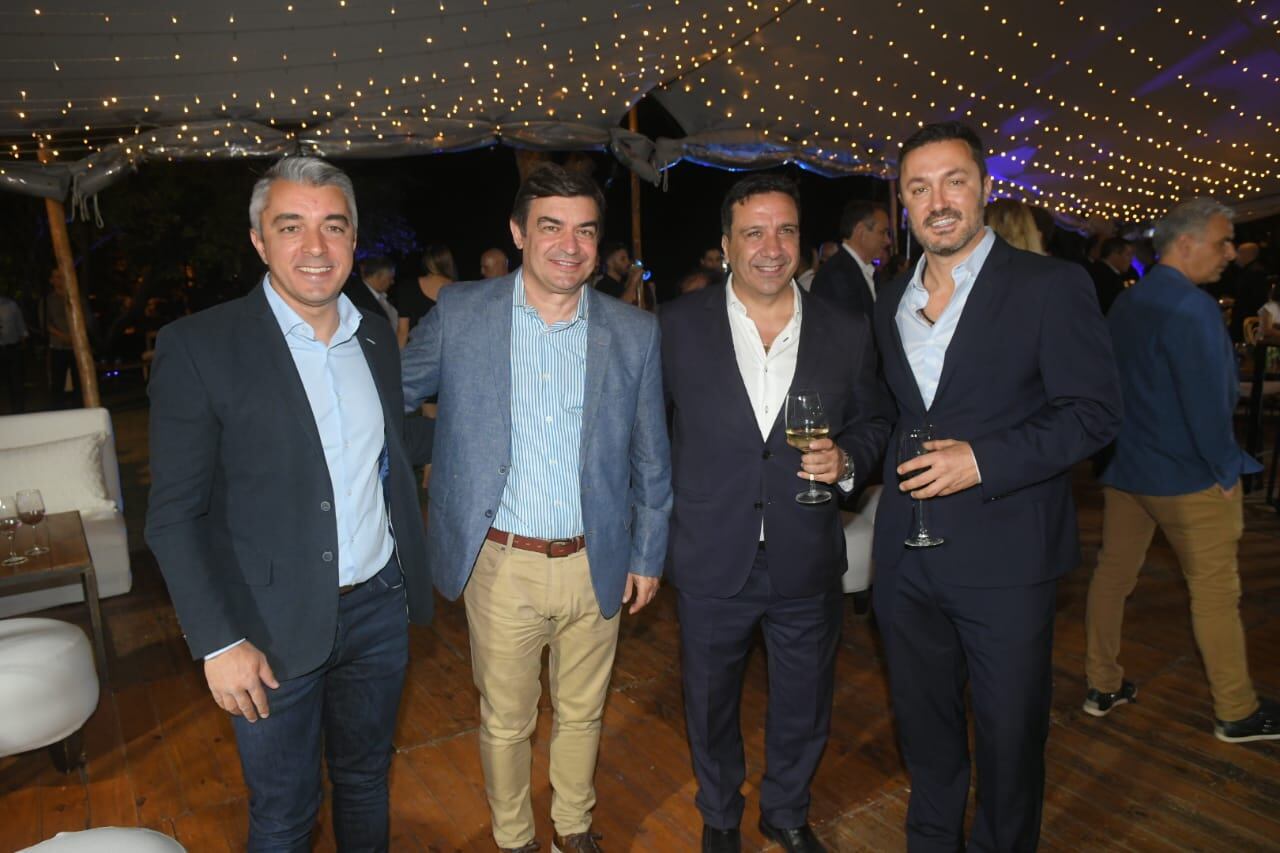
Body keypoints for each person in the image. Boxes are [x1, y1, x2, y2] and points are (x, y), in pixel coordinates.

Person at [144, 156, 435, 851]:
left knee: (366, 779)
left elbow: (387, 447)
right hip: (266, 629)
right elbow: (173, 515)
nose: (315, 247)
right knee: (283, 811)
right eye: (291, 226)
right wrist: (218, 640)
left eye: (333, 226)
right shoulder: (199, 346)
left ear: (354, 237)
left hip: (377, 609)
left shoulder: (373, 334)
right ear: (259, 241)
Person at [401, 163, 671, 853]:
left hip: (596, 559)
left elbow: (651, 456)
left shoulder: (633, 332)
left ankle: (573, 828)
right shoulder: (462, 312)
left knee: (584, 713)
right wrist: (449, 444)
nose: (570, 245)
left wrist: (647, 552)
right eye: (551, 226)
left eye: (585, 230)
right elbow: (392, 401)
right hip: (502, 562)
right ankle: (515, 838)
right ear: (519, 231)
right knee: (506, 720)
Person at [872, 121, 1122, 851]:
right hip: (906, 560)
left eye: (954, 181)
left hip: (1008, 557)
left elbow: (1095, 412)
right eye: (919, 187)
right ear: (903, 203)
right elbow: (888, 414)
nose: (938, 200)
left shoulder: (1050, 285)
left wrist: (984, 458)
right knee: (925, 731)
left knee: (1011, 742)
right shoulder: (889, 297)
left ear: (985, 188)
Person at [662, 173, 892, 853]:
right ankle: (720, 813)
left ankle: (787, 809)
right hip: (709, 549)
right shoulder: (675, 327)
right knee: (708, 702)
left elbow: (877, 419)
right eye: (754, 231)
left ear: (802, 240)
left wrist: (848, 458)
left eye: (785, 230)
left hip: (805, 548)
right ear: (725, 244)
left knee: (804, 698)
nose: (771, 246)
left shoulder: (846, 328)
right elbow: (645, 439)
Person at [1086, 198, 1278, 743]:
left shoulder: (1126, 303)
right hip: (1188, 476)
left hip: (1127, 470)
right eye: (1221, 242)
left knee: (1112, 576)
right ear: (1186, 243)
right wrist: (1225, 471)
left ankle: (1102, 685)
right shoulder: (1191, 308)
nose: (1228, 255)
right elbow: (1209, 404)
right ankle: (1237, 711)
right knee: (1216, 593)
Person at [810, 201, 892, 320]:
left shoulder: (869, 272)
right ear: (860, 231)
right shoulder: (834, 276)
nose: (887, 241)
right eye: (882, 232)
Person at [396, 242, 456, 348]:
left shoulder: (408, 288)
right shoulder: (459, 289)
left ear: (426, 262)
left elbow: (402, 332)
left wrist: (397, 362)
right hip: (449, 353)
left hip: (417, 353)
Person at [343, 255, 399, 332]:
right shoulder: (359, 299)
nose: (392, 282)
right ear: (378, 276)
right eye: (390, 278)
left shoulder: (380, 296)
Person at [1087, 237, 1135, 315]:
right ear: (1114, 254)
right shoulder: (1108, 280)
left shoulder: (1094, 270)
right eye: (1128, 254)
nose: (1131, 259)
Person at [0, 293, 28, 413]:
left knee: (16, 384)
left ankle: (18, 414)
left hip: (13, 349)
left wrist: (23, 345)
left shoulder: (11, 305)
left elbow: (21, 325)